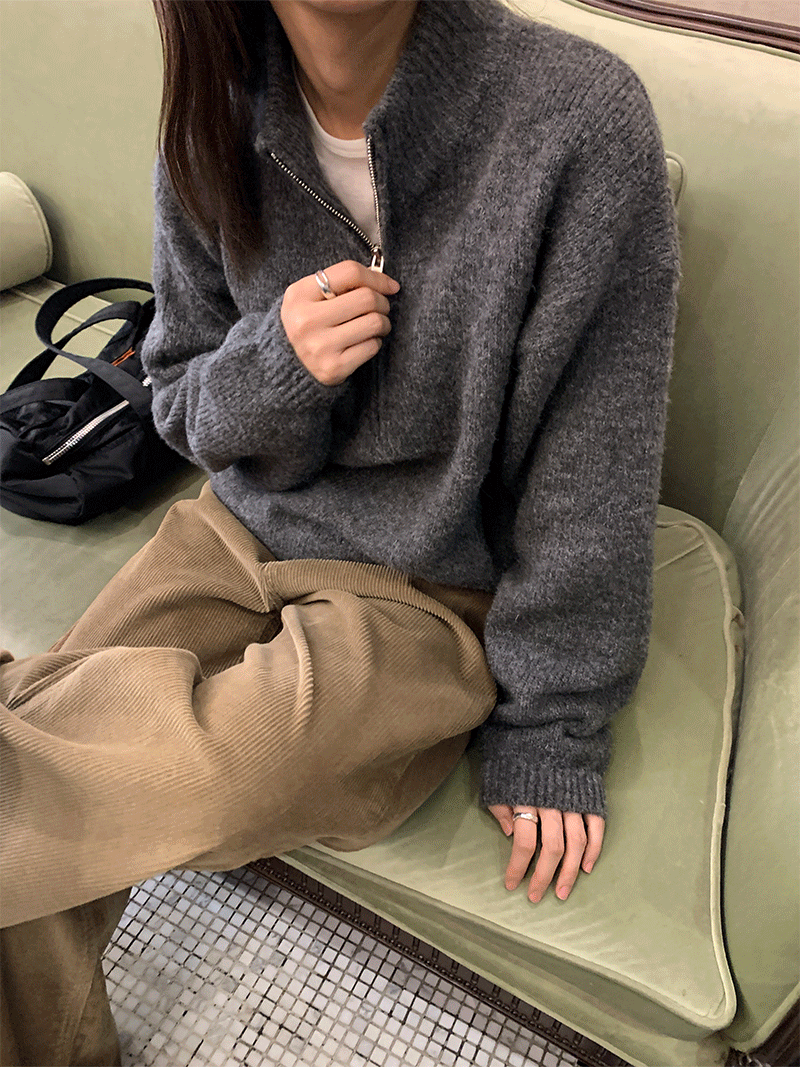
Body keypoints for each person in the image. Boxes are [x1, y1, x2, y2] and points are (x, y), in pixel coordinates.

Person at [0, 0, 680, 1063]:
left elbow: (595, 459)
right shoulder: (210, 118)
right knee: (32, 769)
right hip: (237, 528)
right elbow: (178, 402)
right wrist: (277, 363)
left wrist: (554, 721)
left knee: (184, 767)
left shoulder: (578, 121)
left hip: (425, 594)